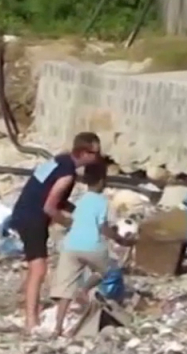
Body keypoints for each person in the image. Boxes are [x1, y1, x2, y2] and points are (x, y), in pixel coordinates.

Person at [9, 132, 103, 334]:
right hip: (32, 217)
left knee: (35, 266)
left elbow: (52, 195)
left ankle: (28, 308)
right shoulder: (67, 175)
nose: (98, 157)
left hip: (24, 211)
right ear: (83, 153)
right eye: (96, 153)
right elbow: (50, 207)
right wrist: (71, 224)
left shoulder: (59, 160)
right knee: (39, 269)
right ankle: (31, 321)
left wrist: (77, 211)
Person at [49, 162, 133, 337]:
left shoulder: (81, 201)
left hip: (70, 246)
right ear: (102, 181)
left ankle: (58, 327)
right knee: (105, 269)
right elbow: (102, 227)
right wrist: (119, 239)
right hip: (91, 245)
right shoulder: (102, 202)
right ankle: (85, 289)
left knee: (65, 289)